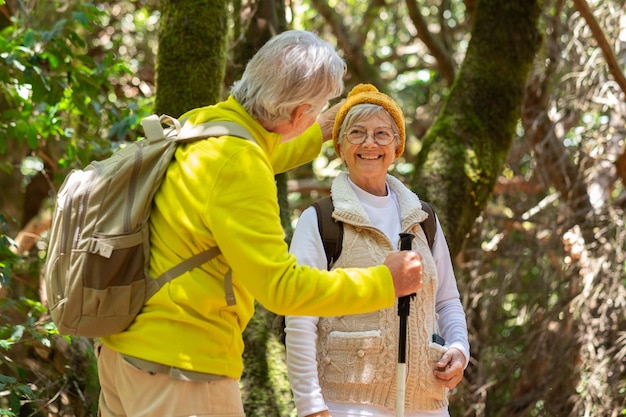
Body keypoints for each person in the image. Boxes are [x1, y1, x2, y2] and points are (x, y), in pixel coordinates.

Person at [96, 32, 425, 417]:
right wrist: (384, 282)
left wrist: (322, 128)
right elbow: (280, 288)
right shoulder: (240, 164)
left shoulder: (206, 123)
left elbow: (267, 151)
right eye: (317, 109)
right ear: (299, 112)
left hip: (125, 352)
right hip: (181, 369)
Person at [285, 84, 470, 417]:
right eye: (357, 133)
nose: (369, 143)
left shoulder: (422, 218)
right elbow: (299, 316)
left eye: (382, 134)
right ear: (340, 145)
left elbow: (447, 300)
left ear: (397, 145)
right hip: (345, 406)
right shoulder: (321, 220)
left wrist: (459, 348)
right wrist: (310, 405)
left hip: (426, 405)